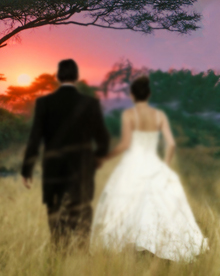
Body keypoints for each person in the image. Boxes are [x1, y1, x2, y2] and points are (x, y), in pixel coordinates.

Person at [90, 76, 208, 261]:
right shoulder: (159, 115)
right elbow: (170, 145)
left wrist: (104, 158)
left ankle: (137, 247)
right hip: (154, 164)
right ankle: (156, 247)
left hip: (133, 164)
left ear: (132, 95)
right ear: (149, 94)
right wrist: (165, 166)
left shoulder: (129, 114)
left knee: (128, 203)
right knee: (159, 204)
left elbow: (124, 144)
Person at [21, 59, 110, 248]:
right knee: (83, 214)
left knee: (56, 216)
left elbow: (35, 138)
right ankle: (80, 258)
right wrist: (97, 159)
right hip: (83, 171)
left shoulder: (44, 103)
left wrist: (27, 169)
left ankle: (59, 258)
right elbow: (103, 139)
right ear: (77, 77)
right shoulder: (90, 104)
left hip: (54, 171)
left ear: (58, 77)